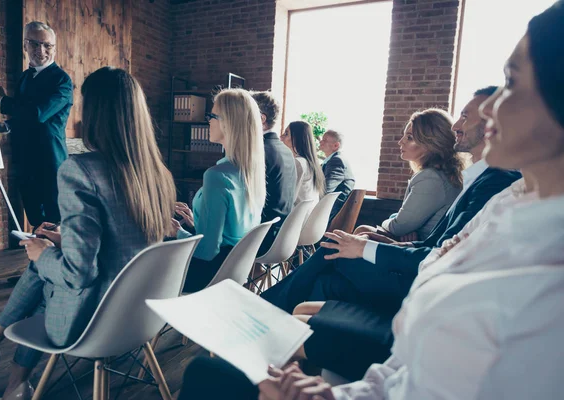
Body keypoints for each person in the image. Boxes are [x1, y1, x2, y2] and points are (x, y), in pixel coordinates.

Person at [179, 2, 564, 397]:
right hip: (385, 339)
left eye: (511, 83)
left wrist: (371, 244)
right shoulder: (509, 203)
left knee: (327, 258)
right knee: (328, 260)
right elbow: (407, 365)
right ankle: (262, 317)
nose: (486, 113)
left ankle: (260, 315)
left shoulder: (536, 265)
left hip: (388, 285)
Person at [0, 67, 176, 400]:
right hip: (144, 313)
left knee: (42, 266)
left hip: (94, 322)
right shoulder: (158, 174)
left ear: (93, 114)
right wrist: (60, 243)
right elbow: (126, 241)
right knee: (48, 254)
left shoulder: (80, 170)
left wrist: (42, 253)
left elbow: (79, 273)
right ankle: (2, 368)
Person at [260, 86, 521, 315]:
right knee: (325, 279)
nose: (456, 126)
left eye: (465, 116)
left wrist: (367, 247)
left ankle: (262, 310)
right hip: (419, 266)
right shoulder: (475, 177)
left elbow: (441, 254)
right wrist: (386, 242)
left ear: (491, 126)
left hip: (423, 281)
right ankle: (282, 334)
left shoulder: (492, 181)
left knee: (333, 250)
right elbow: (436, 244)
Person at [0, 21, 73, 228]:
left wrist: (2, 100)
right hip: (25, 161)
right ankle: (37, 260)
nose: (41, 50)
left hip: (50, 162)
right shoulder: (24, 77)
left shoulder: (62, 81)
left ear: (54, 48)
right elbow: (24, 117)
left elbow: (37, 114)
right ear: (25, 46)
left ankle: (56, 260)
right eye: (34, 44)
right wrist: (6, 126)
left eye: (47, 45)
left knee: (55, 223)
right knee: (35, 220)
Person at [175, 89, 267, 292]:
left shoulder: (216, 176)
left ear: (229, 123)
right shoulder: (251, 172)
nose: (208, 121)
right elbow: (232, 228)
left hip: (207, 274)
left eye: (212, 116)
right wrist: (196, 221)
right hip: (233, 273)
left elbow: (206, 252)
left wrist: (176, 231)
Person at [354, 108, 463, 241]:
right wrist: (396, 221)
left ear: (431, 143)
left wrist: (388, 222)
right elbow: (402, 224)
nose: (401, 142)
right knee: (361, 232)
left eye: (409, 137)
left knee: (361, 232)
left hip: (422, 249)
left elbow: (398, 227)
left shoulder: (430, 178)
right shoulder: (445, 174)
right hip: (420, 244)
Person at [251, 91, 297, 255]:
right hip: (282, 234)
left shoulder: (259, 151)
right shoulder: (285, 150)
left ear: (261, 119)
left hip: (262, 238)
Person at [280, 121, 325, 205]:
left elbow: (289, 198)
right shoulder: (309, 162)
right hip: (307, 215)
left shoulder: (298, 163)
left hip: (296, 216)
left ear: (297, 138)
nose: (281, 137)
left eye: (286, 134)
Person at [319, 130, 355, 221]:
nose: (320, 141)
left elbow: (326, 189)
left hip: (332, 212)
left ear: (336, 145)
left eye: (325, 140)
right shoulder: (331, 160)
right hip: (328, 209)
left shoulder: (337, 161)